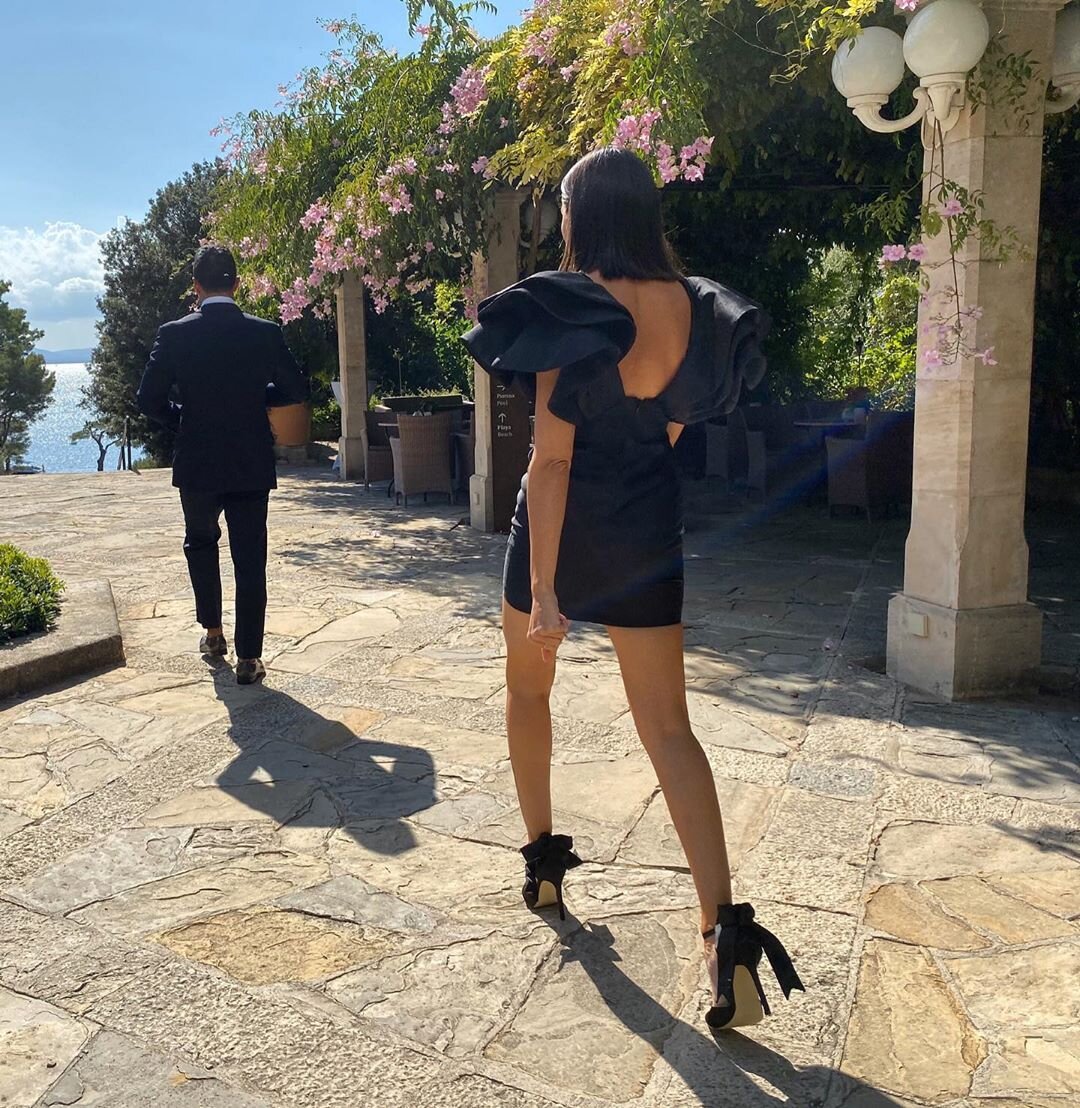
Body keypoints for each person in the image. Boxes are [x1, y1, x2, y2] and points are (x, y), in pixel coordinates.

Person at [463, 148, 803, 1030]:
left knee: (527, 692)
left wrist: (545, 589)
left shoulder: (571, 304)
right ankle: (723, 933)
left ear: (582, 214)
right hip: (647, 529)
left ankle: (543, 865)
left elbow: (551, 462)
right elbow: (676, 423)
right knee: (670, 730)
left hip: (563, 532)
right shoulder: (695, 306)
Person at [137, 245, 307, 685]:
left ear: (195, 286)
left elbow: (148, 398)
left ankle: (213, 634)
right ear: (237, 283)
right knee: (250, 557)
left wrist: (182, 417)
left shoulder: (174, 334)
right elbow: (295, 389)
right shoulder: (265, 332)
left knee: (200, 543)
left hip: (197, 458)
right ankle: (250, 658)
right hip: (250, 459)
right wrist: (252, 399)